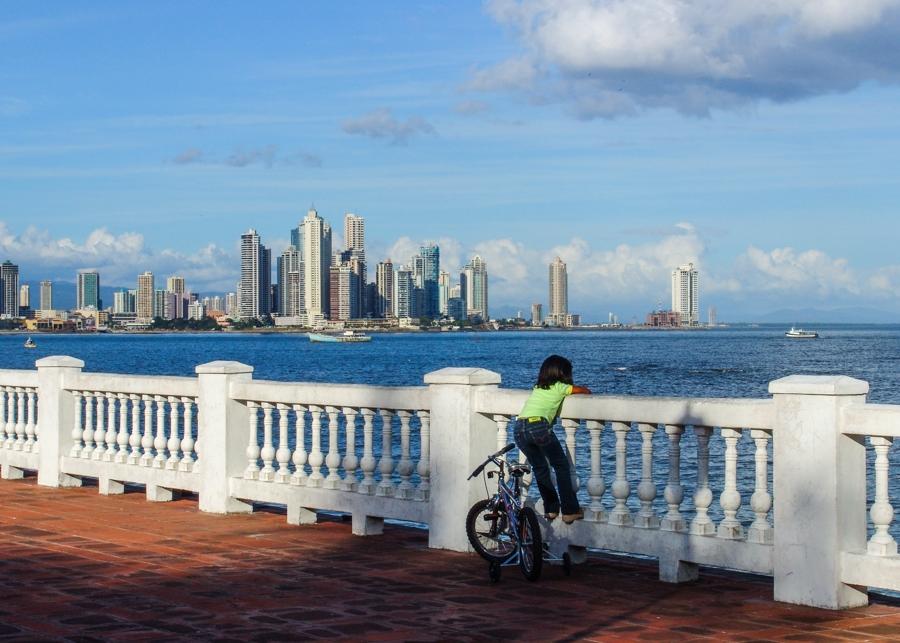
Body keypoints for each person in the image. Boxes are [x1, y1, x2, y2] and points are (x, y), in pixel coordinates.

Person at [515, 355, 591, 524]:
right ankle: (570, 510)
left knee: (540, 468)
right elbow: (582, 391)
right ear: (563, 373)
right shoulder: (560, 387)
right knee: (561, 466)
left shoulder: (538, 387)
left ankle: (551, 509)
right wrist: (585, 389)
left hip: (520, 428)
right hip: (538, 427)